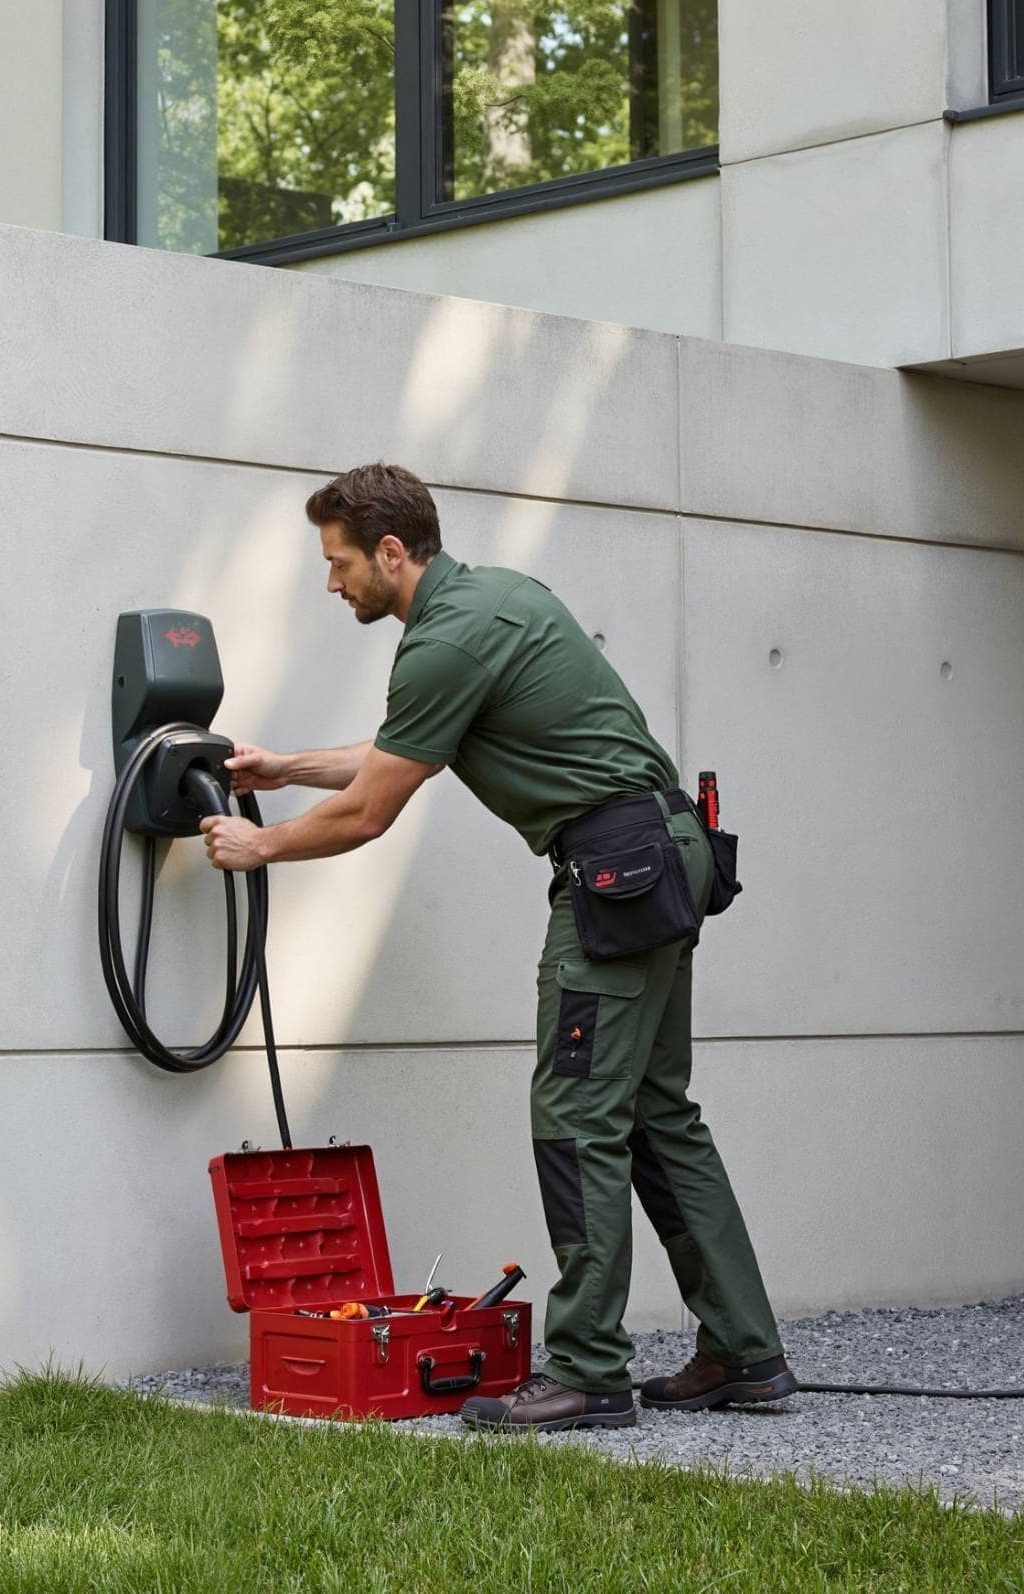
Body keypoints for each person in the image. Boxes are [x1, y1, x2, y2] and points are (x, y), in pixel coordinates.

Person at [200, 462, 795, 1432]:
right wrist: (284, 766)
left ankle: (590, 1367)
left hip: (615, 874)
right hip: (663, 852)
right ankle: (744, 1349)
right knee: (655, 1112)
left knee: (576, 1114)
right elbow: (400, 750)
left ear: (392, 552)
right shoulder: (495, 601)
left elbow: (370, 811)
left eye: (339, 561)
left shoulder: (442, 643)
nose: (331, 581)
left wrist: (258, 844)